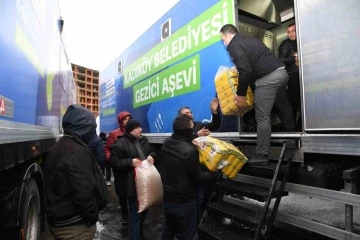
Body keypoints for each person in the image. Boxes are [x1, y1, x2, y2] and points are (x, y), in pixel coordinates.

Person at [220, 24, 295, 164]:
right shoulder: (248, 40)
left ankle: (262, 155)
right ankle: (291, 141)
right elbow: (253, 61)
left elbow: (245, 71)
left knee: (262, 116)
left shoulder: (234, 45)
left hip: (267, 79)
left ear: (228, 35)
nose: (224, 43)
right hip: (281, 73)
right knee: (283, 104)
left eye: (223, 39)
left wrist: (240, 94)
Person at [43, 104, 108, 240]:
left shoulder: (60, 146)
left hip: (62, 221)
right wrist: (92, 216)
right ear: (84, 127)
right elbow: (83, 192)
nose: (93, 132)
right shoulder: (77, 151)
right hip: (75, 226)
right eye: (92, 128)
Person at [161, 115, 219, 240]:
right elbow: (198, 177)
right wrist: (214, 173)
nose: (194, 131)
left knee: (169, 230)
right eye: (192, 128)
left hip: (168, 198)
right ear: (187, 131)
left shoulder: (167, 142)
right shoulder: (190, 150)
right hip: (184, 202)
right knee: (187, 235)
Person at [110, 119, 157, 240]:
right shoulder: (120, 144)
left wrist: (152, 156)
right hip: (133, 185)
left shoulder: (143, 140)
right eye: (138, 128)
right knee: (135, 217)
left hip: (146, 183)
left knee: (144, 212)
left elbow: (152, 151)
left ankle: (139, 235)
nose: (141, 130)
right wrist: (129, 162)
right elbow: (114, 162)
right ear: (131, 130)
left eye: (140, 127)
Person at [178, 98, 221, 224]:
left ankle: (201, 219)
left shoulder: (198, 124)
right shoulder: (179, 129)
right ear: (180, 118)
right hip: (190, 167)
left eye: (190, 112)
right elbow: (182, 141)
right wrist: (197, 135)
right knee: (194, 197)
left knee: (202, 196)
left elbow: (215, 125)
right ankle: (193, 223)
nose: (190, 114)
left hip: (201, 165)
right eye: (186, 113)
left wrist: (214, 112)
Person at [105, 111, 132, 225]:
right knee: (122, 193)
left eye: (129, 118)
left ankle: (133, 213)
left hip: (131, 167)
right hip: (119, 169)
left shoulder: (133, 132)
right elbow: (107, 149)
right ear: (120, 121)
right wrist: (112, 160)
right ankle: (124, 215)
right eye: (125, 119)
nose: (127, 121)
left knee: (133, 191)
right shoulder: (114, 134)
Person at [279, 23, 301, 130]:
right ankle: (292, 132)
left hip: (303, 76)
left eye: (293, 31)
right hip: (292, 76)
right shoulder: (285, 44)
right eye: (289, 32)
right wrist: (295, 59)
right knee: (294, 103)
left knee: (302, 103)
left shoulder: (302, 40)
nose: (291, 34)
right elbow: (281, 60)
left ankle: (299, 128)